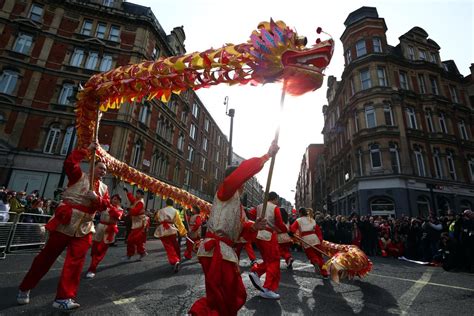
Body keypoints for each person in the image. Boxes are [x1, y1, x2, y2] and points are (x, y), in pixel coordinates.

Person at [188, 141, 278, 316]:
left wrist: (254, 226)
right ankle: (199, 313)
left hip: (223, 253)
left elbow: (243, 227)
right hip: (216, 251)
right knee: (226, 296)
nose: (244, 182)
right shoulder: (226, 190)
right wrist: (266, 156)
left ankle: (199, 313)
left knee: (230, 295)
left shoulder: (238, 204)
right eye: (242, 179)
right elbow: (242, 172)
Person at [17, 143, 110, 310]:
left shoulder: (104, 188)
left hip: (85, 228)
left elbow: (105, 206)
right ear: (92, 166)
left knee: (76, 263)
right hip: (66, 223)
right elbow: (69, 164)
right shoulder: (78, 176)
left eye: (105, 170)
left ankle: (63, 298)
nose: (103, 171)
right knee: (46, 258)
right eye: (101, 168)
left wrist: (97, 198)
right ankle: (25, 287)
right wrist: (85, 150)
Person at [248, 191, 287, 299]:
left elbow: (251, 213)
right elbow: (279, 223)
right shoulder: (275, 208)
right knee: (274, 261)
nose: (277, 202)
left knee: (269, 260)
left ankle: (256, 272)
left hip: (258, 235)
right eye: (277, 200)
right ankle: (268, 288)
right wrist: (286, 229)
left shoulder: (259, 206)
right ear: (274, 199)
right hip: (268, 235)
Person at [85, 194, 123, 278]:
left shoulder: (120, 210)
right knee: (95, 248)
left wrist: (109, 206)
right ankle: (93, 263)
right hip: (100, 227)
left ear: (119, 201)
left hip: (110, 230)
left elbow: (116, 215)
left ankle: (92, 269)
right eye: (113, 199)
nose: (114, 200)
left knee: (101, 249)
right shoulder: (105, 206)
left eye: (117, 199)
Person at [290, 207, 328, 278]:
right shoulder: (312, 220)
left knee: (311, 255)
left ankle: (315, 262)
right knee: (320, 257)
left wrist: (291, 233)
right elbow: (318, 230)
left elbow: (292, 228)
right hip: (314, 238)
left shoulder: (298, 220)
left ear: (300, 213)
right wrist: (320, 240)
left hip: (306, 239)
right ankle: (325, 273)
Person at [154, 198, 187, 272]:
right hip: (172, 229)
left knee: (169, 247)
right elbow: (179, 223)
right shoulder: (175, 211)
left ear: (166, 203)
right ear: (173, 204)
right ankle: (177, 259)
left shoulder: (161, 210)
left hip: (163, 230)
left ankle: (175, 260)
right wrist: (183, 232)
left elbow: (156, 218)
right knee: (175, 245)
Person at [122, 188, 148, 261]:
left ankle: (130, 254)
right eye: (136, 193)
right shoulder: (137, 201)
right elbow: (132, 200)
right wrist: (128, 193)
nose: (136, 195)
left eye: (138, 194)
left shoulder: (140, 202)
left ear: (142, 195)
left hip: (139, 223)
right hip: (136, 222)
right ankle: (141, 252)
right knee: (137, 239)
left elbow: (135, 212)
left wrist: (129, 210)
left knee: (131, 239)